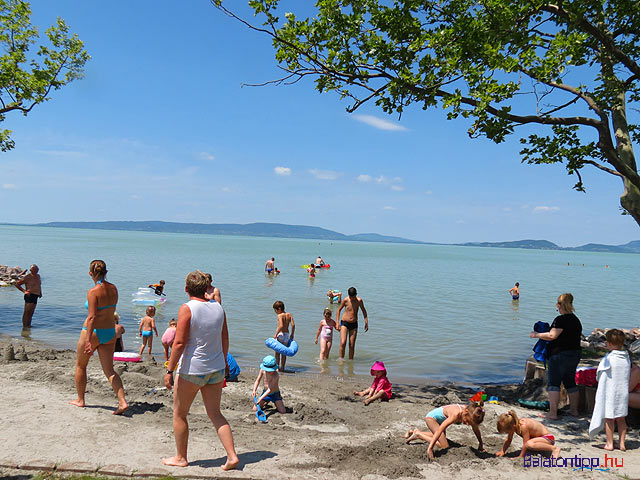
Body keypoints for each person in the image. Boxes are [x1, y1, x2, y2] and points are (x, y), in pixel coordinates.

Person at [162, 270, 238, 470]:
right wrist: (224, 364)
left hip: (192, 370)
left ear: (186, 289)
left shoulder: (187, 308)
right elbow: (225, 338)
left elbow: (179, 343)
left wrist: (169, 370)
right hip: (216, 367)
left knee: (179, 414)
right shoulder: (218, 308)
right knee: (215, 414)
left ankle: (180, 457)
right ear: (207, 287)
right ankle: (231, 456)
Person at [69, 260, 128, 415]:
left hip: (94, 332)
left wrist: (88, 339)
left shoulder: (93, 292)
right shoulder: (114, 288)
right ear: (106, 272)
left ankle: (80, 400)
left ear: (90, 273)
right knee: (109, 370)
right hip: (109, 331)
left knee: (81, 365)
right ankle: (122, 402)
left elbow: (91, 317)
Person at [530, 293, 582, 420]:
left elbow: (552, 335)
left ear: (559, 305)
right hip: (575, 353)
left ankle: (552, 413)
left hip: (559, 355)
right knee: (570, 382)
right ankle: (574, 411)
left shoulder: (560, 320)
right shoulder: (576, 320)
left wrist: (536, 334)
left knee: (554, 383)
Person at [589, 329, 630, 451]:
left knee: (609, 418)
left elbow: (600, 374)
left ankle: (609, 443)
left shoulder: (609, 359)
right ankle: (622, 444)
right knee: (621, 418)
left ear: (609, 344)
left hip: (611, 392)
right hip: (623, 392)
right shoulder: (626, 358)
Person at [403, 401, 485, 461]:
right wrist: (430, 448)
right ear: (466, 412)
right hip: (432, 418)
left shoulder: (472, 411)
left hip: (440, 420)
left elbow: (476, 429)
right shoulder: (455, 414)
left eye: (469, 424)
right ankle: (418, 435)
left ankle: (413, 432)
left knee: (441, 438)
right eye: (467, 421)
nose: (467, 424)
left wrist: (481, 444)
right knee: (444, 446)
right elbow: (439, 430)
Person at [496, 410, 560, 458]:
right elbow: (509, 439)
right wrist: (502, 451)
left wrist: (520, 457)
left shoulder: (523, 426)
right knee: (529, 444)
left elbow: (525, 444)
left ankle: (554, 449)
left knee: (529, 444)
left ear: (513, 426)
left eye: (506, 432)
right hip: (537, 439)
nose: (507, 433)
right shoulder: (514, 424)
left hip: (548, 438)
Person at [336, 287, 368, 360]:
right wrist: (337, 323)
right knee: (343, 342)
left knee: (352, 345)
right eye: (351, 297)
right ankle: (341, 359)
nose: (352, 298)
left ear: (356, 295)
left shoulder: (359, 301)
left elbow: (364, 311)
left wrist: (366, 322)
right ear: (349, 295)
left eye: (353, 297)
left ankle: (350, 361)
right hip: (344, 322)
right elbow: (338, 310)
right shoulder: (345, 300)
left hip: (354, 324)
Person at [273, 300, 295, 372]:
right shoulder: (289, 314)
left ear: (279, 309)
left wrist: (275, 334)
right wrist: (292, 334)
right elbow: (293, 325)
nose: (275, 312)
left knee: (277, 353)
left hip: (281, 334)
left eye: (275, 310)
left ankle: (277, 367)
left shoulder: (280, 315)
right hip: (287, 335)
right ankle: (283, 368)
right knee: (284, 353)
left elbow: (281, 326)